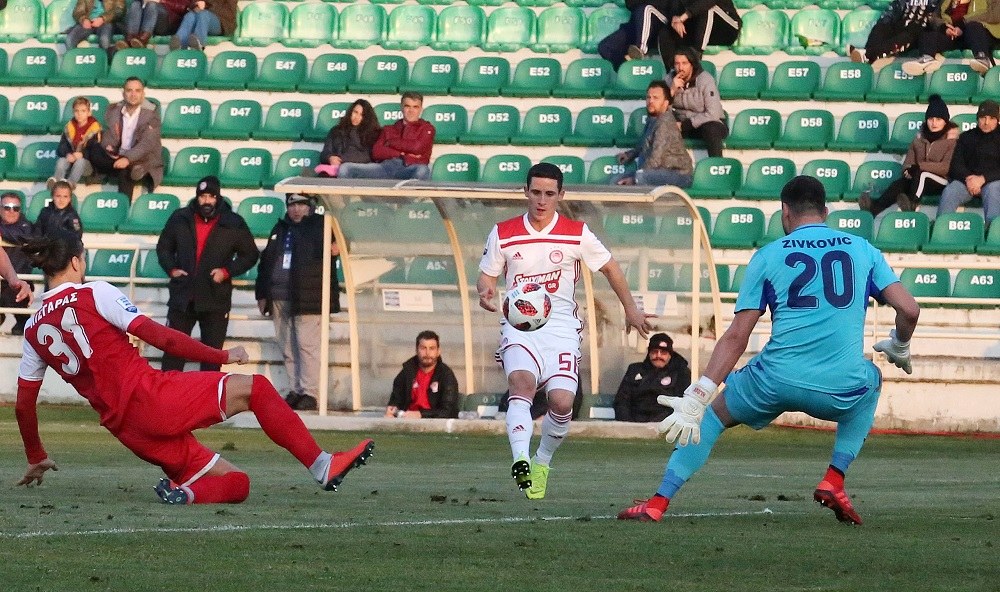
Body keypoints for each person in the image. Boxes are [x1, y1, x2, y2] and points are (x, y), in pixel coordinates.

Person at [617, 176, 920, 525]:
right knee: (872, 380)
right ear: (825, 212)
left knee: (711, 418)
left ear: (784, 212)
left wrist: (699, 393)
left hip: (774, 380)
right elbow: (909, 310)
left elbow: (737, 336)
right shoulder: (863, 250)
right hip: (839, 385)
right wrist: (900, 344)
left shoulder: (768, 256)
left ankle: (658, 502)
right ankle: (834, 478)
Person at [15, 230, 374, 504]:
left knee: (236, 484)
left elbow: (24, 405)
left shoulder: (32, 329)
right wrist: (220, 356)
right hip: (152, 398)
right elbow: (162, 338)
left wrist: (36, 455)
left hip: (128, 430)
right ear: (76, 262)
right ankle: (322, 465)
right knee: (257, 388)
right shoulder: (94, 293)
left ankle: (184, 494)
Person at [478, 162, 654, 500]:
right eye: (535, 192)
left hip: (561, 328)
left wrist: (630, 308)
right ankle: (520, 459)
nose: (541, 200)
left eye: (549, 194)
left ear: (561, 194)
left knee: (561, 402)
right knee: (522, 383)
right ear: (525, 192)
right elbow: (487, 276)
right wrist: (485, 291)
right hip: (520, 325)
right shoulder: (503, 232)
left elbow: (610, 267)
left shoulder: (577, 233)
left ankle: (542, 460)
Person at [156, 175, 259, 372]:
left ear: (218, 198)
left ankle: (209, 394)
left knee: (212, 358)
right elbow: (164, 248)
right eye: (203, 196)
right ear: (197, 197)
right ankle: (167, 392)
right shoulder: (180, 218)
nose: (206, 201)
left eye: (211, 196)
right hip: (183, 297)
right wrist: (172, 269)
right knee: (173, 355)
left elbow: (250, 254)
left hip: (215, 299)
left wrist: (226, 272)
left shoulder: (233, 222)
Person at [255, 193, 341, 412]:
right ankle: (296, 389)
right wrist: (262, 293)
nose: (296, 209)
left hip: (308, 296)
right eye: (292, 205)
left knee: (306, 346)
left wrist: (338, 246)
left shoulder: (322, 225)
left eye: (301, 204)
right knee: (287, 346)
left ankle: (310, 392)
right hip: (279, 296)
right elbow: (266, 262)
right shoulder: (280, 228)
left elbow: (340, 246)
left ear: (310, 206)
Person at [859, 94, 958, 215]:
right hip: (918, 180)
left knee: (922, 174)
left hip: (942, 181)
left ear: (945, 121)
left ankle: (912, 203)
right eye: (931, 119)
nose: (934, 123)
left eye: (938, 119)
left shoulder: (952, 141)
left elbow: (946, 167)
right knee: (899, 184)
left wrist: (919, 167)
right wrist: (907, 170)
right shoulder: (918, 139)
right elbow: (908, 162)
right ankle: (874, 208)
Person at [90, 77, 164, 200]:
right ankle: (86, 168)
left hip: (140, 159)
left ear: (143, 94)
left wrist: (127, 159)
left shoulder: (152, 116)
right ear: (123, 93)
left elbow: (147, 144)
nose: (133, 94)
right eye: (129, 90)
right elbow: (109, 136)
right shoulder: (113, 111)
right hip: (118, 155)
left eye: (137, 91)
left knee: (125, 170)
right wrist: (109, 148)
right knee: (94, 149)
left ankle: (123, 207)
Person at [613, 80, 693, 188]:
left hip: (678, 174)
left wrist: (635, 177)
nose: (650, 101)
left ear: (665, 103)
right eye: (648, 97)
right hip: (658, 172)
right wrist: (629, 155)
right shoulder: (652, 119)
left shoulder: (665, 123)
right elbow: (643, 144)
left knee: (640, 177)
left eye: (655, 98)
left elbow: (656, 159)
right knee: (617, 179)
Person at [338, 92, 434, 181]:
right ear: (401, 107)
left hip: (410, 168)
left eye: (415, 107)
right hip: (385, 167)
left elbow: (417, 147)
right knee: (345, 168)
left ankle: (407, 194)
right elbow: (377, 152)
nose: (411, 111)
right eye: (407, 106)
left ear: (421, 109)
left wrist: (390, 142)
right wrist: (402, 154)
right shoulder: (389, 129)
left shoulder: (427, 128)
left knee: (423, 170)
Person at [936, 99, 1000, 225]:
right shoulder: (966, 137)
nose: (986, 122)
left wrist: (983, 179)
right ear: (977, 118)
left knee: (993, 190)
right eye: (983, 118)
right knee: (951, 190)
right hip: (967, 182)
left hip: (993, 181)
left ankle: (993, 231)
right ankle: (941, 227)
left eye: (991, 118)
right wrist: (969, 179)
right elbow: (956, 164)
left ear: (997, 120)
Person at [902, 0, 1000, 76]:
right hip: (954, 35)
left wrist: (963, 23)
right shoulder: (947, 1)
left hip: (979, 34)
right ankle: (927, 58)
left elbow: (995, 14)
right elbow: (935, 17)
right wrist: (944, 27)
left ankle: (982, 57)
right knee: (929, 35)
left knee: (973, 27)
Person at [613, 332, 691, 423]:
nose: (658, 356)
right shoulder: (634, 370)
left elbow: (682, 404)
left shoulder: (680, 373)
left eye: (663, 353)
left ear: (670, 355)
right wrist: (629, 425)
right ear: (649, 353)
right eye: (654, 352)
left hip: (665, 424)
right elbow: (621, 401)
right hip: (635, 424)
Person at [384, 330, 461, 419]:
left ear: (438, 351)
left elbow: (449, 411)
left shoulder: (446, 375)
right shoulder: (407, 372)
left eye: (432, 348)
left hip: (434, 424)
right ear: (416, 350)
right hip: (406, 421)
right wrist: (392, 410)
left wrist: (421, 414)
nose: (427, 353)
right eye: (423, 348)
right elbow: (396, 400)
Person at [848, 0, 942, 72]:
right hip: (902, 25)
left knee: (910, 31)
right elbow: (892, 11)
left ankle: (867, 55)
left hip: (919, 31)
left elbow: (937, 17)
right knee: (882, 26)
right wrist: (885, 25)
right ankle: (866, 54)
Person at [670, 47, 728, 158]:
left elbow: (713, 113)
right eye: (677, 64)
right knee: (660, 126)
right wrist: (671, 91)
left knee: (711, 129)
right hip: (681, 124)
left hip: (707, 123)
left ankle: (716, 164)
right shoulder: (669, 80)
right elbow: (661, 111)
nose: (680, 68)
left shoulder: (705, 79)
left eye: (684, 63)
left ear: (692, 64)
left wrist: (685, 125)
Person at [315, 99, 381, 178]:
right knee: (323, 175)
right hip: (336, 169)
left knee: (345, 169)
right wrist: (330, 158)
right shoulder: (336, 130)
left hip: (360, 170)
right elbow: (325, 153)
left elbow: (369, 156)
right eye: (355, 112)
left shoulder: (373, 133)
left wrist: (343, 160)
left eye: (362, 115)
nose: (357, 117)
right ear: (350, 112)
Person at [49, 97, 101, 191]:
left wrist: (82, 154)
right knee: (61, 161)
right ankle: (56, 182)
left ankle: (70, 184)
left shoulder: (95, 129)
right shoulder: (69, 127)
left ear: (89, 112)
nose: (79, 114)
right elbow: (61, 147)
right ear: (73, 112)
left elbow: (97, 151)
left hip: (88, 165)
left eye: (83, 111)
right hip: (71, 162)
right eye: (76, 111)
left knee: (80, 161)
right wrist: (67, 154)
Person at [0, 192, 34, 335]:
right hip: (6, 281)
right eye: (7, 207)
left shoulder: (26, 226)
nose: (11, 211)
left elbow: (20, 236)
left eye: (16, 208)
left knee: (16, 296)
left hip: (17, 279)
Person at [118, 0, 188, 49]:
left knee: (152, 5)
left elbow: (184, 7)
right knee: (135, 4)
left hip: (165, 22)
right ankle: (130, 39)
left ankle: (143, 39)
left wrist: (161, 1)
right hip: (143, 18)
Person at [170, 0, 238, 51]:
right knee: (190, 16)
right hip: (200, 15)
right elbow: (192, 3)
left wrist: (206, 6)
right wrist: (196, 4)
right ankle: (179, 44)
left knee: (203, 15)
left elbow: (229, 10)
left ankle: (198, 45)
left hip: (223, 22)